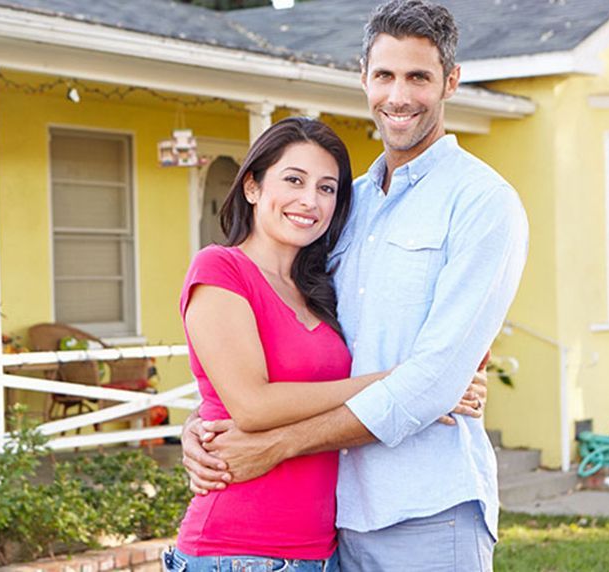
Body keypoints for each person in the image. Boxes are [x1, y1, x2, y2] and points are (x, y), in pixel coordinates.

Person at [182, 1, 529, 571]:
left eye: (419, 76)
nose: (400, 95)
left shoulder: (484, 204)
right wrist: (208, 424)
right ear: (363, 78)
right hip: (333, 520)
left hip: (428, 509)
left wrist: (273, 445)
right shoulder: (346, 205)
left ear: (451, 82)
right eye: (385, 75)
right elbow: (284, 339)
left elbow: (434, 383)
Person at [166, 117, 487, 572]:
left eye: (326, 188)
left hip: (322, 551)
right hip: (237, 550)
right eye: (294, 180)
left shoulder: (320, 287)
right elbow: (251, 405)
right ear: (253, 187)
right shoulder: (220, 269)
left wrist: (441, 382)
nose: (309, 200)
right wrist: (406, 383)